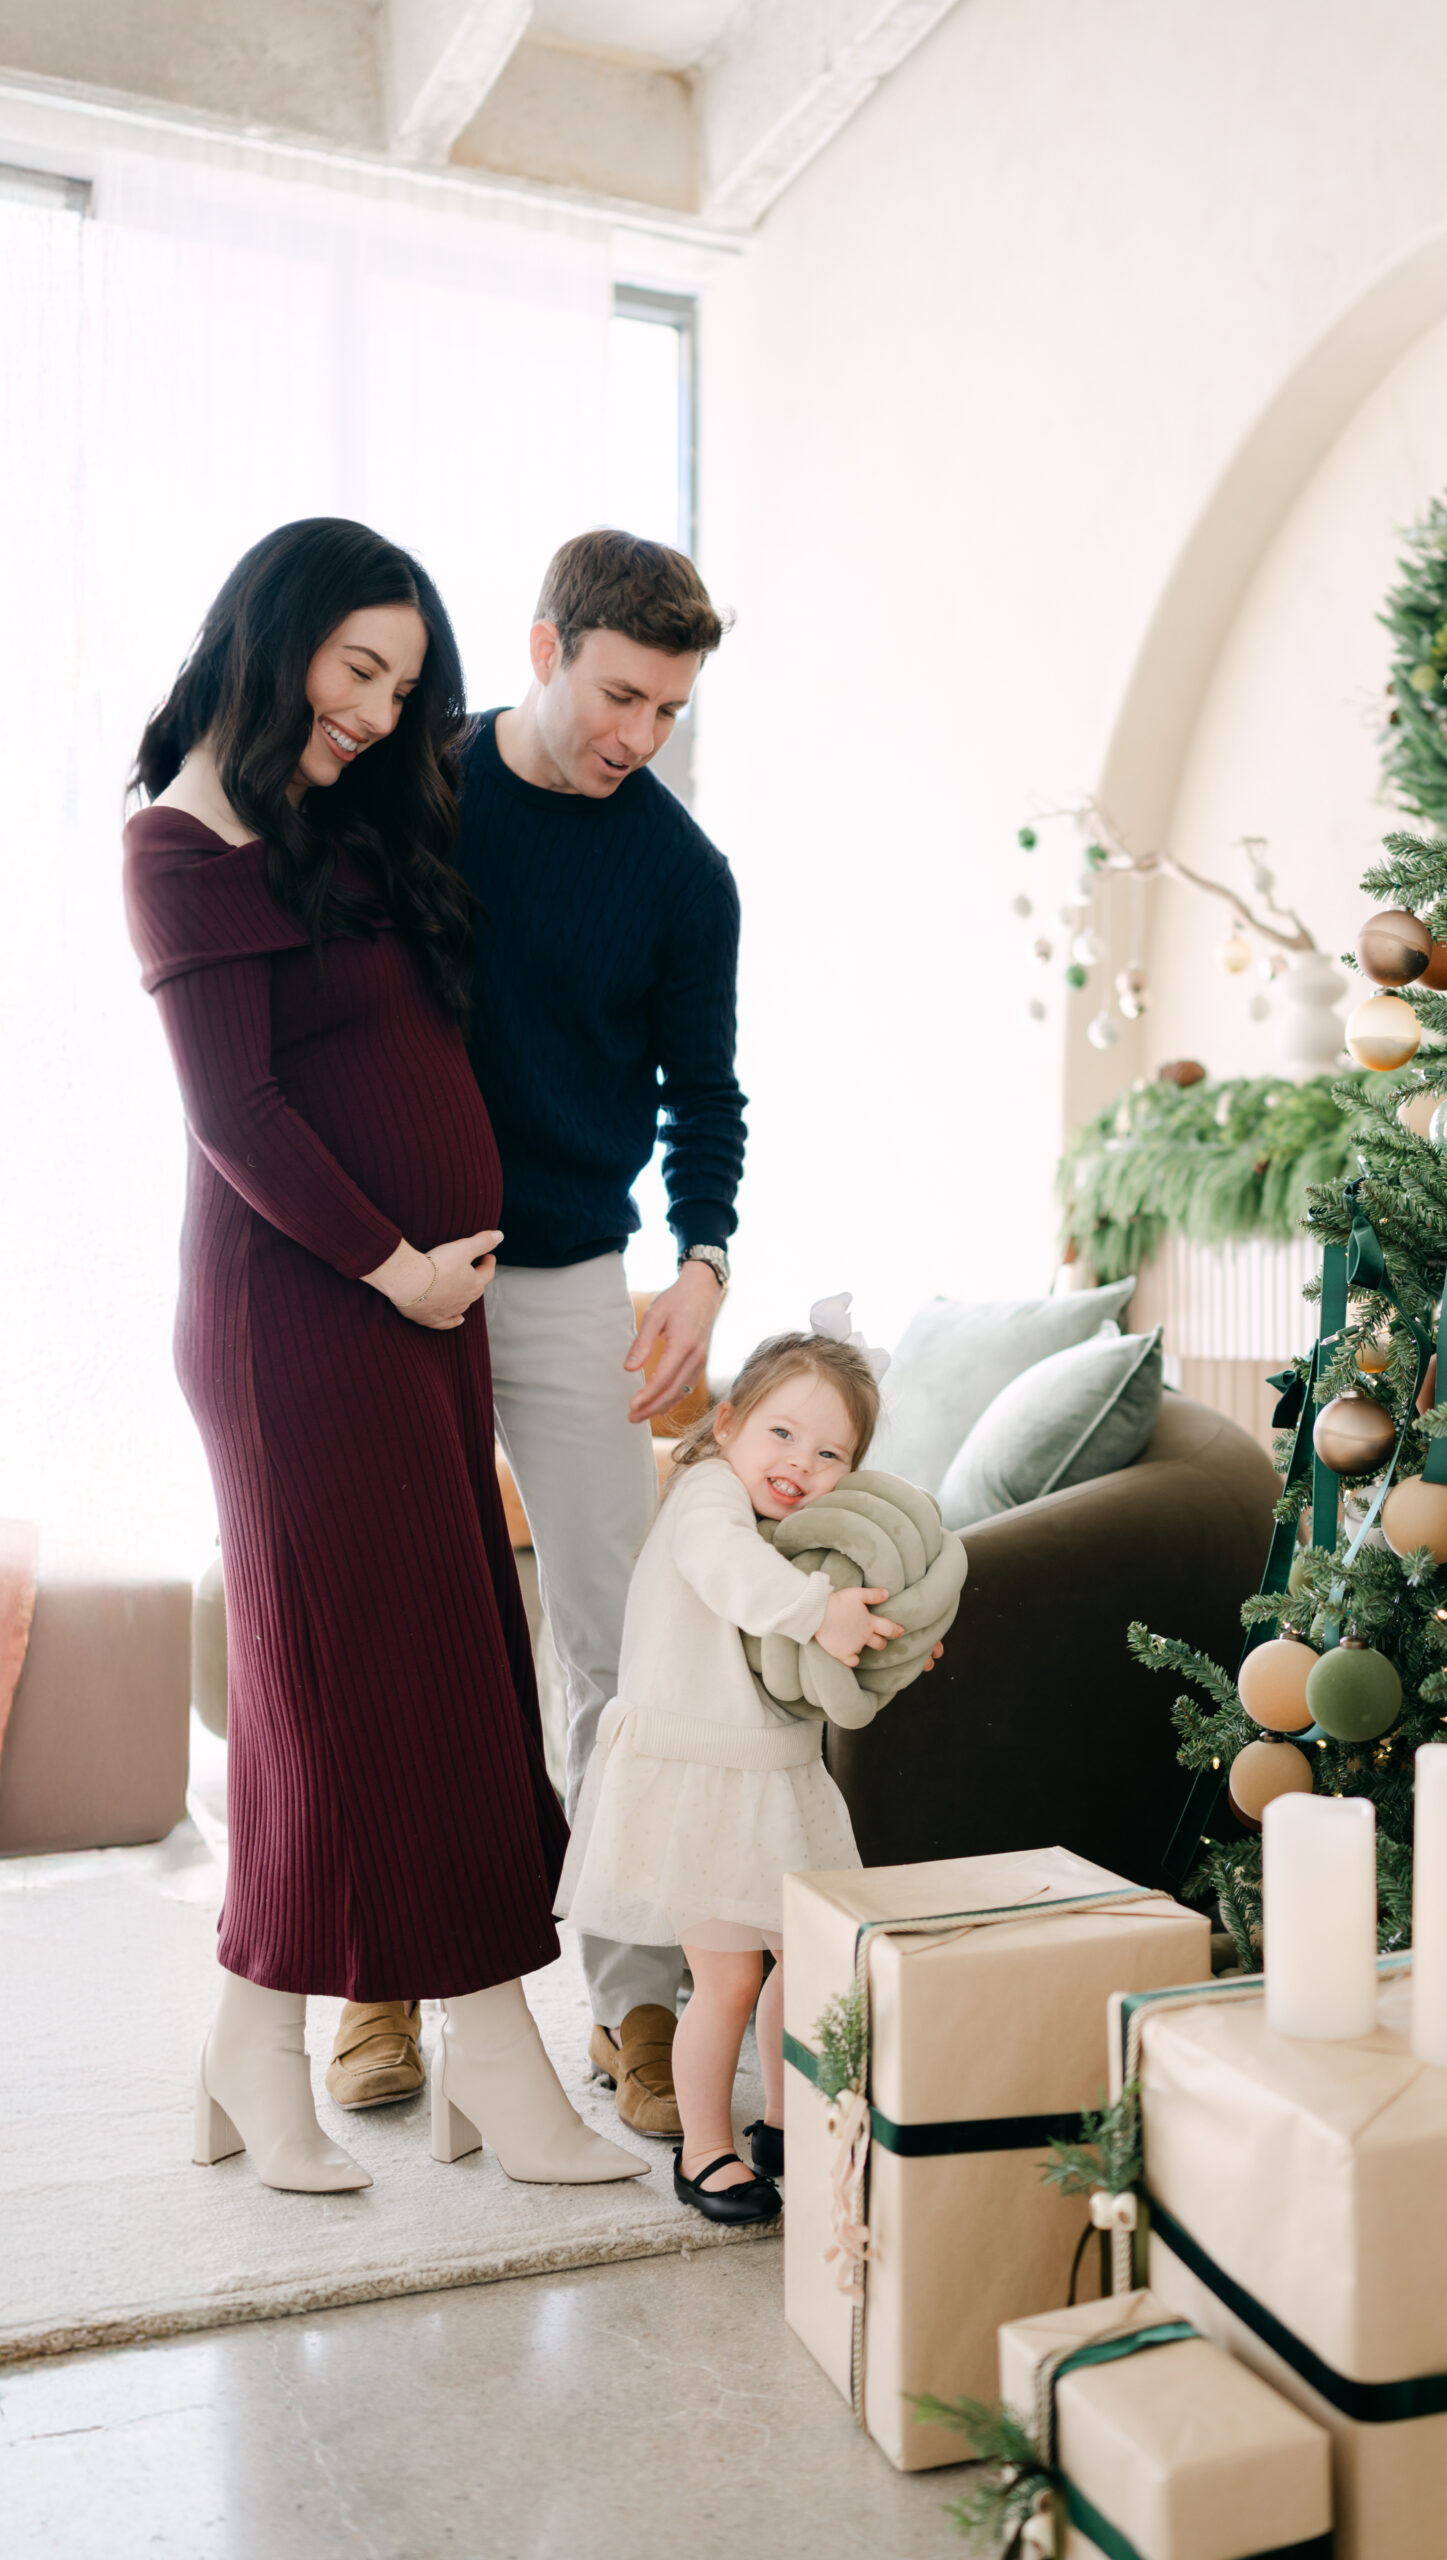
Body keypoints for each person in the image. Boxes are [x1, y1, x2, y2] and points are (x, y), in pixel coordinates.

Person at [123, 517, 643, 2193]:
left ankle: (252, 2048)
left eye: (404, 682)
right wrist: (393, 1263)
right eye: (359, 669)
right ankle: (482, 2056)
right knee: (380, 1689)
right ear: (271, 637)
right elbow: (236, 1115)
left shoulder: (334, 825)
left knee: (375, 1687)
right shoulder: (179, 845)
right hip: (302, 1321)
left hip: (416, 1311)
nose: (375, 709)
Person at [326, 530, 746, 2138]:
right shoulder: (406, 787)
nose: (636, 735)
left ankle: (638, 2003)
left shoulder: (679, 872)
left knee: (613, 1641)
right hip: (384, 1265)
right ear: (541, 645)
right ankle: (378, 1980)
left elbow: (705, 1095)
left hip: (568, 1275)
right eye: (619, 692)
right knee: (401, 1627)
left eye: (667, 709)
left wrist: (701, 1263)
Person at [558, 1328, 903, 2223]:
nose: (800, 1464)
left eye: (830, 1453)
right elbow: (725, 1568)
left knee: (809, 1953)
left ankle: (786, 2119)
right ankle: (704, 2148)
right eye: (782, 1435)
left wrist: (882, 1634)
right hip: (697, 1778)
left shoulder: (801, 1527)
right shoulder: (708, 1495)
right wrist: (812, 1611)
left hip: (776, 1773)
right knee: (727, 1978)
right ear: (727, 1424)